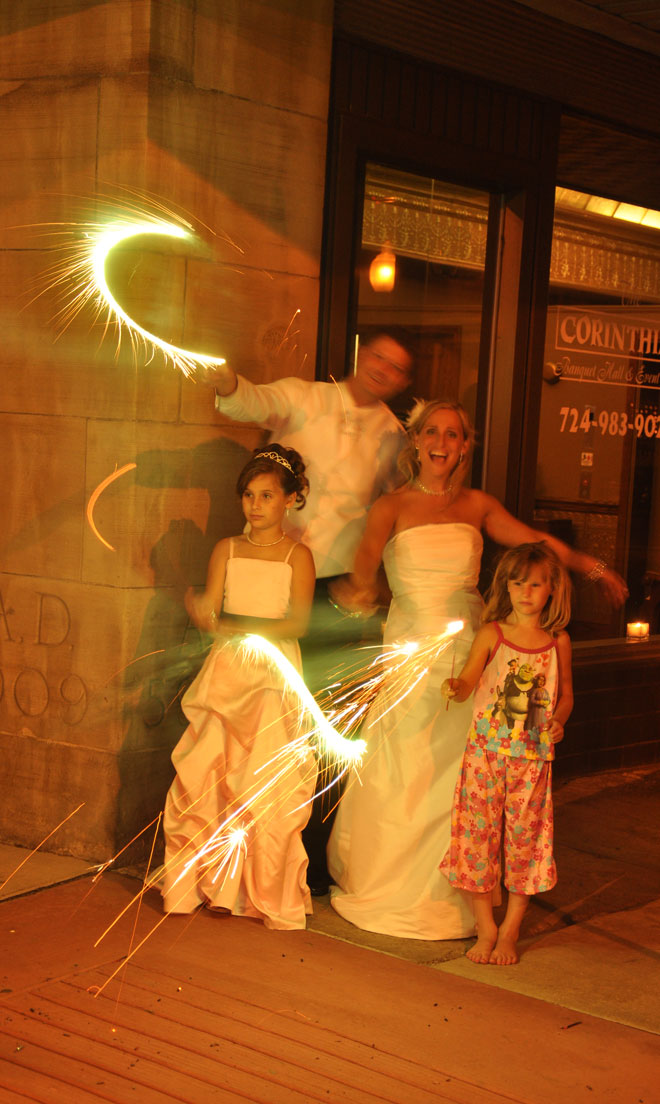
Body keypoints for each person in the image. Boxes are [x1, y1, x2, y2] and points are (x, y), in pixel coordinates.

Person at [327, 399, 627, 940]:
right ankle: (391, 881)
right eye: (432, 433)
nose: (442, 442)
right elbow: (366, 569)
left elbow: (540, 545)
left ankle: (470, 892)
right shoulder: (390, 506)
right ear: (416, 441)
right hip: (413, 649)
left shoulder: (478, 505)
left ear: (466, 446)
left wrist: (593, 566)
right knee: (407, 766)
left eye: (454, 434)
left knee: (468, 775)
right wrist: (357, 593)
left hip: (472, 648)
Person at [202, 328, 415, 893]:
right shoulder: (307, 395)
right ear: (360, 356)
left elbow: (394, 509)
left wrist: (377, 581)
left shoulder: (396, 436)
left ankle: (307, 862)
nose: (382, 372)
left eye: (396, 369)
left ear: (402, 381)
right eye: (377, 359)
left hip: (341, 594)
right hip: (272, 582)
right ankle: (239, 858)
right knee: (257, 724)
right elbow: (255, 399)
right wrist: (228, 384)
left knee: (329, 726)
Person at [161, 444, 316, 930]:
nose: (255, 504)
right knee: (211, 768)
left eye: (267, 495)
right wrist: (198, 609)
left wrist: (240, 628)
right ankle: (208, 883)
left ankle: (259, 889)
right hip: (228, 670)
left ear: (291, 499)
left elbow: (298, 622)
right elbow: (210, 611)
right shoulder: (226, 548)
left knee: (259, 776)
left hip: (270, 673)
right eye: (249, 495)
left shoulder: (298, 555)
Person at [440, 542, 573, 966]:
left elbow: (565, 696)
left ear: (551, 588)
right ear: (507, 587)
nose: (526, 592)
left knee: (525, 843)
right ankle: (486, 925)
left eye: (535, 584)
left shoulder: (557, 642)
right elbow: (468, 682)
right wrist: (455, 688)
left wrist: (558, 721)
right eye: (518, 583)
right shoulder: (492, 634)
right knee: (476, 839)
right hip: (485, 755)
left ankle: (511, 928)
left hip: (531, 759)